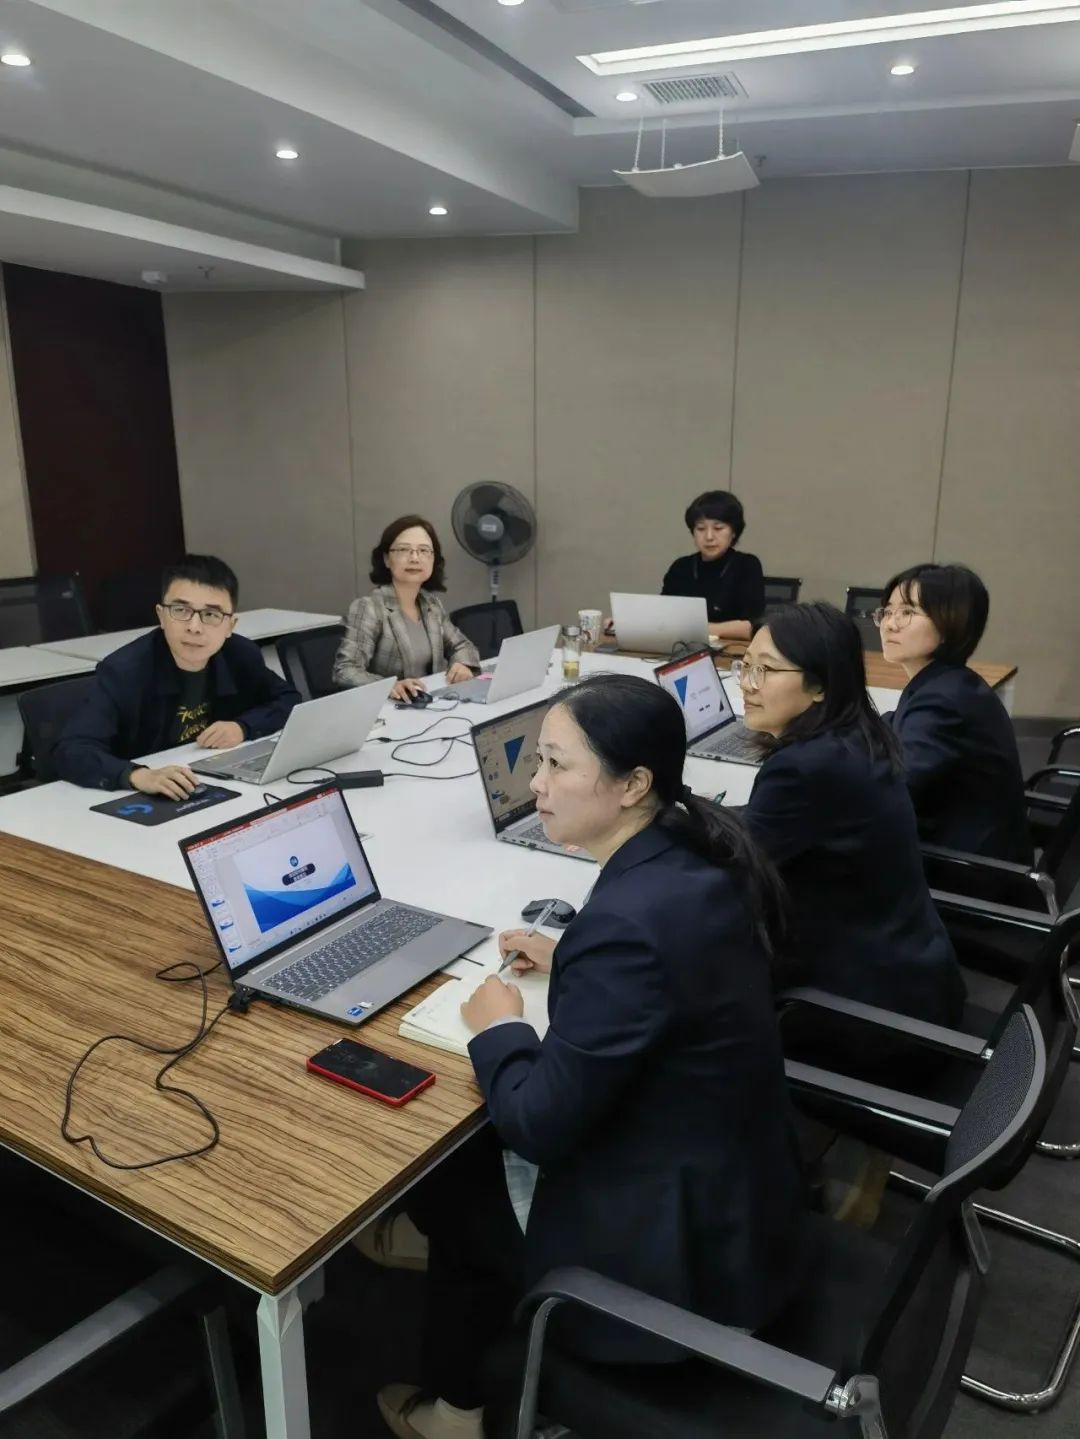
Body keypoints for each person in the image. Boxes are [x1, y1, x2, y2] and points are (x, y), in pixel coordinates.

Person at [375, 674, 807, 1439]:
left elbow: (537, 1124)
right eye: (536, 761)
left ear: (633, 783)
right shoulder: (696, 850)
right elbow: (661, 964)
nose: (535, 785)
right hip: (739, 1191)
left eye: (556, 764)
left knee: (458, 1181)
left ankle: (456, 1413)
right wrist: (574, 952)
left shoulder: (627, 926)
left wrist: (498, 1027)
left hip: (669, 1252)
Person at [736, 601, 965, 1039]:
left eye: (766, 670)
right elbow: (764, 828)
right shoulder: (856, 737)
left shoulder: (803, 767)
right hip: (913, 981)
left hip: (866, 1017)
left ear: (820, 685)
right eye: (745, 666)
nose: (748, 683)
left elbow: (730, 869)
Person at [53, 555, 299, 796]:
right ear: (161, 616)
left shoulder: (240, 655)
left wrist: (243, 727)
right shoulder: (124, 671)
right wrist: (136, 775)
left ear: (230, 626)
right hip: (146, 793)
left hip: (210, 778)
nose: (194, 627)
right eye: (181, 610)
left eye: (211, 615)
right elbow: (73, 749)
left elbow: (289, 699)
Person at [876, 563, 1032, 864]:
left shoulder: (943, 699)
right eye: (887, 611)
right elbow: (892, 724)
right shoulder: (948, 683)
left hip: (967, 873)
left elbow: (893, 792)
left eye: (907, 612)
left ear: (951, 623)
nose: (889, 624)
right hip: (970, 852)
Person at [333, 516, 480, 701]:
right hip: (387, 708)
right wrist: (389, 686)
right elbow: (345, 670)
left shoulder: (431, 604)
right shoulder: (369, 608)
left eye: (424, 550)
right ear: (386, 559)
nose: (415, 558)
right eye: (404, 550)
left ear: (433, 559)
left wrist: (462, 664)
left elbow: (463, 646)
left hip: (429, 702)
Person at [661, 489, 765, 642]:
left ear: (733, 532)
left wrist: (697, 629)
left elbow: (751, 627)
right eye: (701, 529)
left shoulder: (747, 565)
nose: (709, 537)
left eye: (718, 528)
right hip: (681, 647)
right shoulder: (680, 567)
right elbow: (661, 618)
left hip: (732, 650)